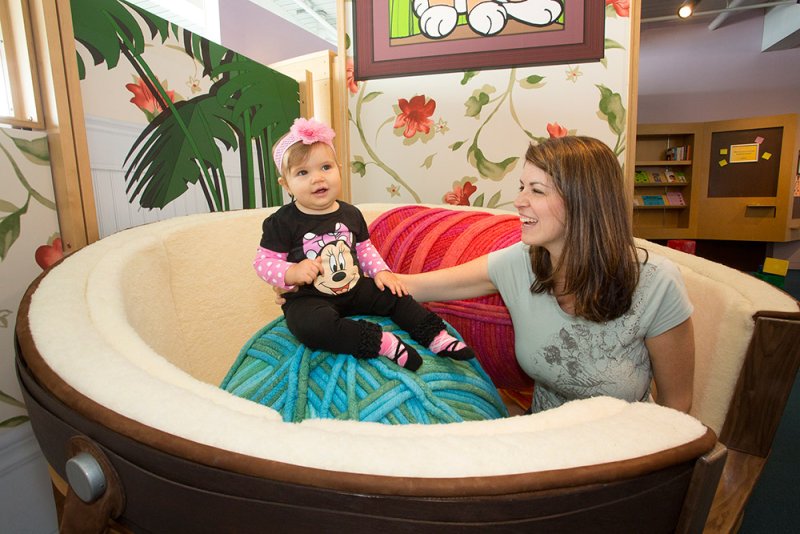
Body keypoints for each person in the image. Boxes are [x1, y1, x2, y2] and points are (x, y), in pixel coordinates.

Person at [397, 136, 695, 413]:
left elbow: (677, 405)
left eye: (537, 190)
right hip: (543, 438)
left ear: (584, 201)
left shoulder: (656, 283)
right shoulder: (519, 263)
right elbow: (411, 287)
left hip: (627, 443)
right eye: (521, 187)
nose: (519, 201)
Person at [253, 117, 476, 372]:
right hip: (308, 298)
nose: (318, 178)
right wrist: (291, 272)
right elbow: (263, 262)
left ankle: (435, 336)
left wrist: (381, 271)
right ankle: (383, 343)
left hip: (355, 287)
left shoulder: (350, 214)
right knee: (310, 327)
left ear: (339, 169)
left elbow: (363, 249)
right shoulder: (281, 222)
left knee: (395, 293)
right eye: (303, 173)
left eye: (325, 167)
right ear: (286, 184)